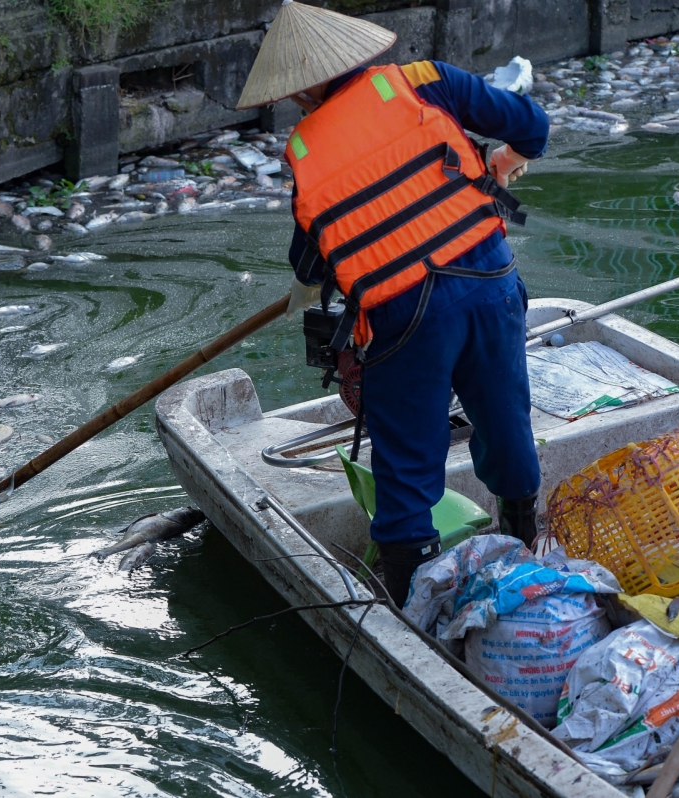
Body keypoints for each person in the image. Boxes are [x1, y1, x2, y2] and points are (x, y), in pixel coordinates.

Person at [235, 2, 550, 606]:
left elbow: (310, 265)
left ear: (302, 89)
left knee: (406, 453)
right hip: (487, 281)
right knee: (506, 416)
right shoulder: (427, 80)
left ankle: (412, 595)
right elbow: (530, 126)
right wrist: (501, 164)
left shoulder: (304, 154)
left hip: (404, 317)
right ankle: (522, 530)